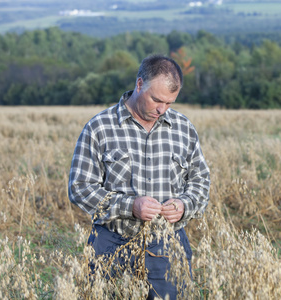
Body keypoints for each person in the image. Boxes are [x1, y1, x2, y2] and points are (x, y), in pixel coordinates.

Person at [68, 54, 210, 299]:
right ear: (139, 84)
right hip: (111, 243)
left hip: (168, 245)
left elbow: (200, 181)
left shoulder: (183, 128)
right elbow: (80, 188)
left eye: (169, 103)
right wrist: (130, 206)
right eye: (156, 100)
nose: (161, 109)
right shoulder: (99, 127)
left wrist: (184, 205)